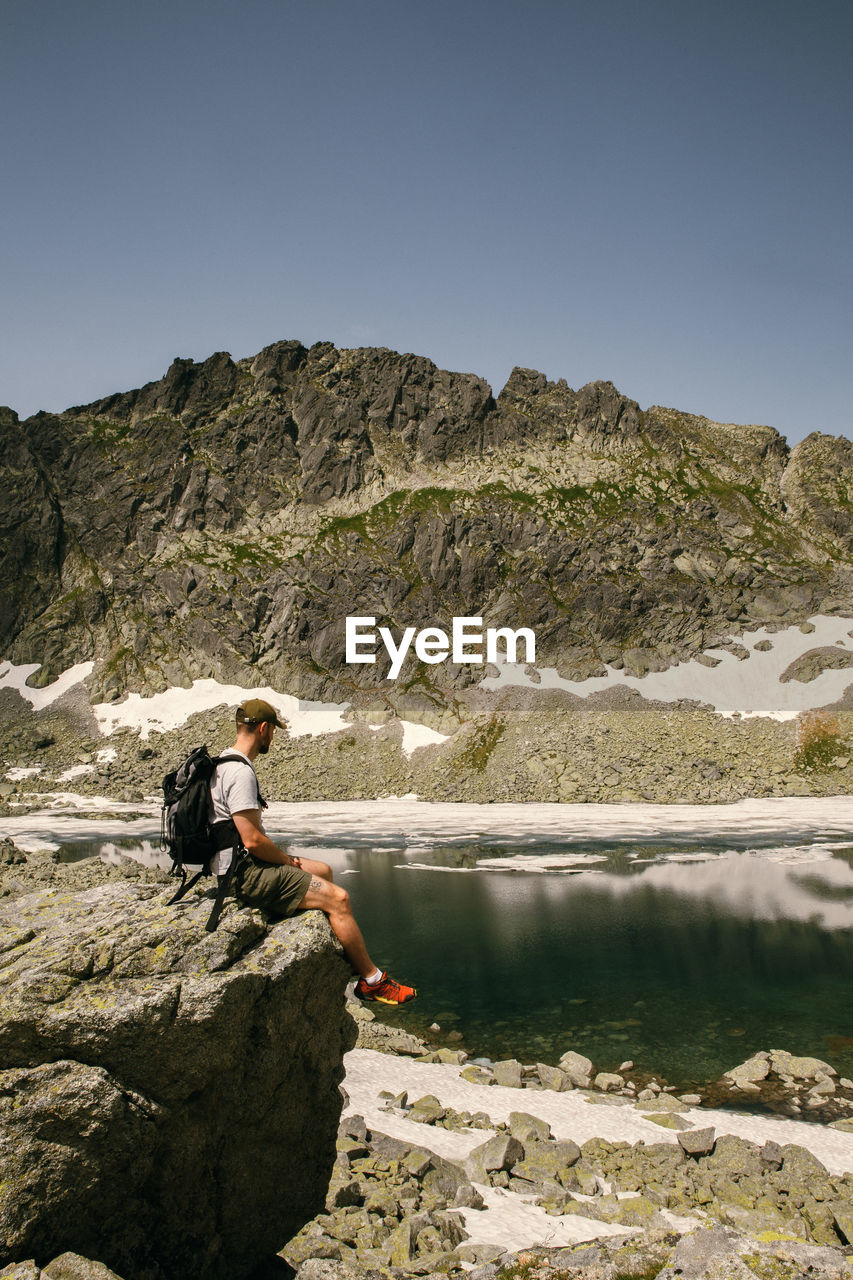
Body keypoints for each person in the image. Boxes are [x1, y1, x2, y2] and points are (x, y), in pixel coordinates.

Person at [210, 697, 416, 1006]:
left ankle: (335, 948)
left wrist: (289, 863)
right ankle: (372, 981)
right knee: (339, 899)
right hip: (244, 874)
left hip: (234, 866)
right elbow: (252, 840)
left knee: (323, 871)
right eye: (273, 732)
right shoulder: (240, 772)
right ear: (264, 729)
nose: (273, 738)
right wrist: (286, 861)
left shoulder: (223, 762)